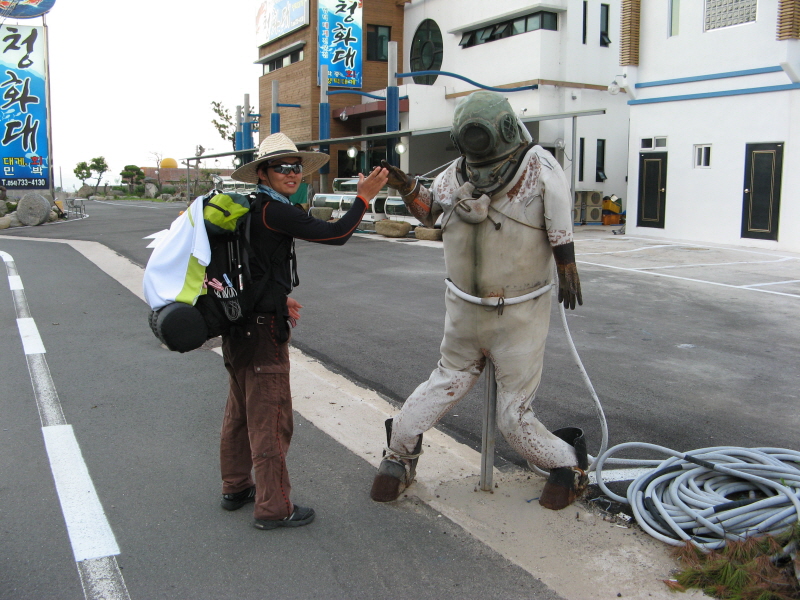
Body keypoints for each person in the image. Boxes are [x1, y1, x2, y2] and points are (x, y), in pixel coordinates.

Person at [370, 91, 587, 510]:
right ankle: (399, 454)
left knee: (513, 417)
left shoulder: (538, 166)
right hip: (464, 313)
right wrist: (407, 186)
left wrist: (567, 265)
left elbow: (559, 217)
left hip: (519, 315)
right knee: (434, 391)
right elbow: (431, 212)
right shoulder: (455, 176)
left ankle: (568, 464)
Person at [222, 132, 388, 529]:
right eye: (282, 167)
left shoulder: (250, 206)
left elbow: (253, 267)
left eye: (296, 167)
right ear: (262, 173)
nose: (292, 174)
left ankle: (235, 486)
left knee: (240, 413)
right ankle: (274, 508)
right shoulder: (274, 210)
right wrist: (362, 197)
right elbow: (336, 233)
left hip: (238, 325)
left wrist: (278, 299)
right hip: (262, 335)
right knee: (271, 420)